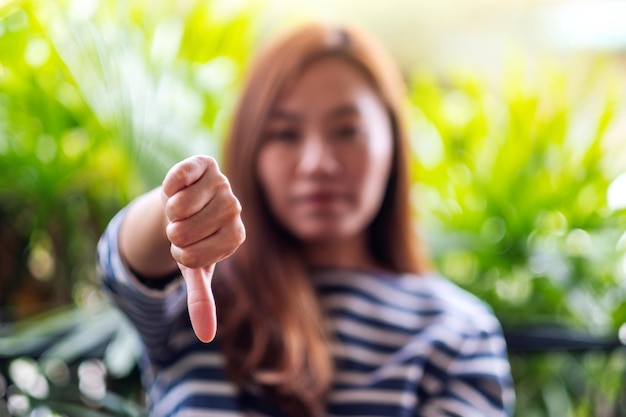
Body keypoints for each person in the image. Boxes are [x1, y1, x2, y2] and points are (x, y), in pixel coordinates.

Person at [97, 22, 515, 417]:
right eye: (285, 134)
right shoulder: (194, 296)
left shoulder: (459, 331)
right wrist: (176, 208)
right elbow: (126, 262)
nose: (317, 163)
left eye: (347, 130)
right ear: (250, 149)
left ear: (393, 143)